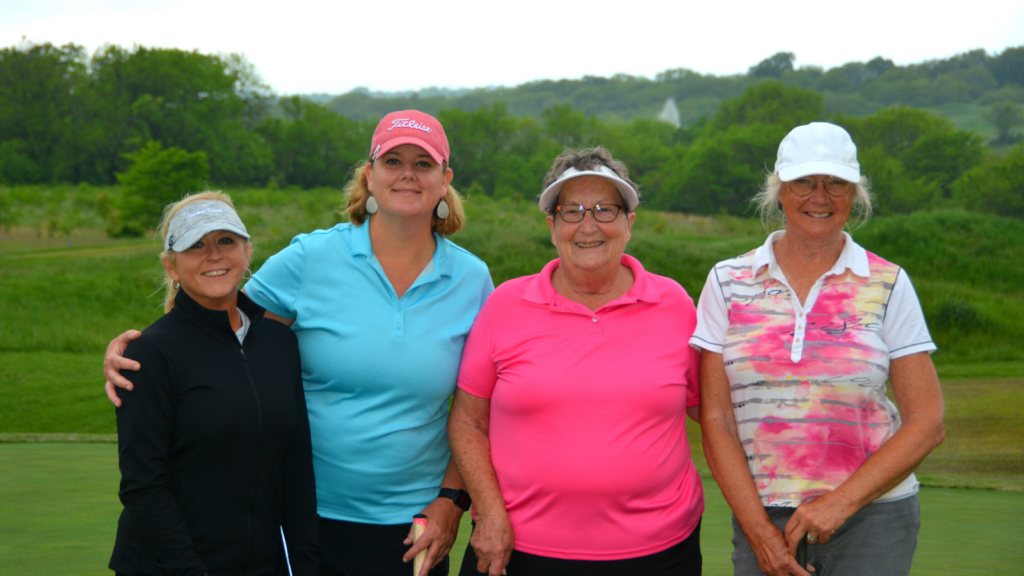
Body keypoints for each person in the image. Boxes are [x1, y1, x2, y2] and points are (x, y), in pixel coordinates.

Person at [104, 111, 494, 576]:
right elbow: (215, 313)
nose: (407, 174)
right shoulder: (311, 258)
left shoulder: (472, 279)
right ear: (370, 175)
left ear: (444, 179)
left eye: (423, 164)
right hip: (307, 518)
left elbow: (477, 411)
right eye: (392, 161)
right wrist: (142, 351)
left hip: (417, 527)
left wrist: (451, 501)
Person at [691, 122, 946, 576]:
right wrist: (758, 532)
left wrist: (838, 503)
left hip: (874, 517)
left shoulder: (888, 282)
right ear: (780, 190)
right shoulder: (726, 282)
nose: (820, 197)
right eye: (804, 182)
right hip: (762, 517)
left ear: (855, 194)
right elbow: (718, 420)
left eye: (836, 184)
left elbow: (927, 423)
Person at [448, 147, 704, 576]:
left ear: (629, 223)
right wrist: (489, 513)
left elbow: (709, 412)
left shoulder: (675, 303)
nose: (589, 225)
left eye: (605, 209)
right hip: (519, 550)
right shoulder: (504, 305)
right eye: (572, 211)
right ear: (552, 226)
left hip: (659, 553)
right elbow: (468, 421)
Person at [108, 191, 319, 576]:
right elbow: (144, 485)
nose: (214, 255)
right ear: (171, 266)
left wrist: (306, 565)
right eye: (196, 246)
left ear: (248, 252)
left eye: (226, 241)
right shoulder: (150, 354)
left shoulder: (279, 343)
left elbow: (296, 470)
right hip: (169, 567)